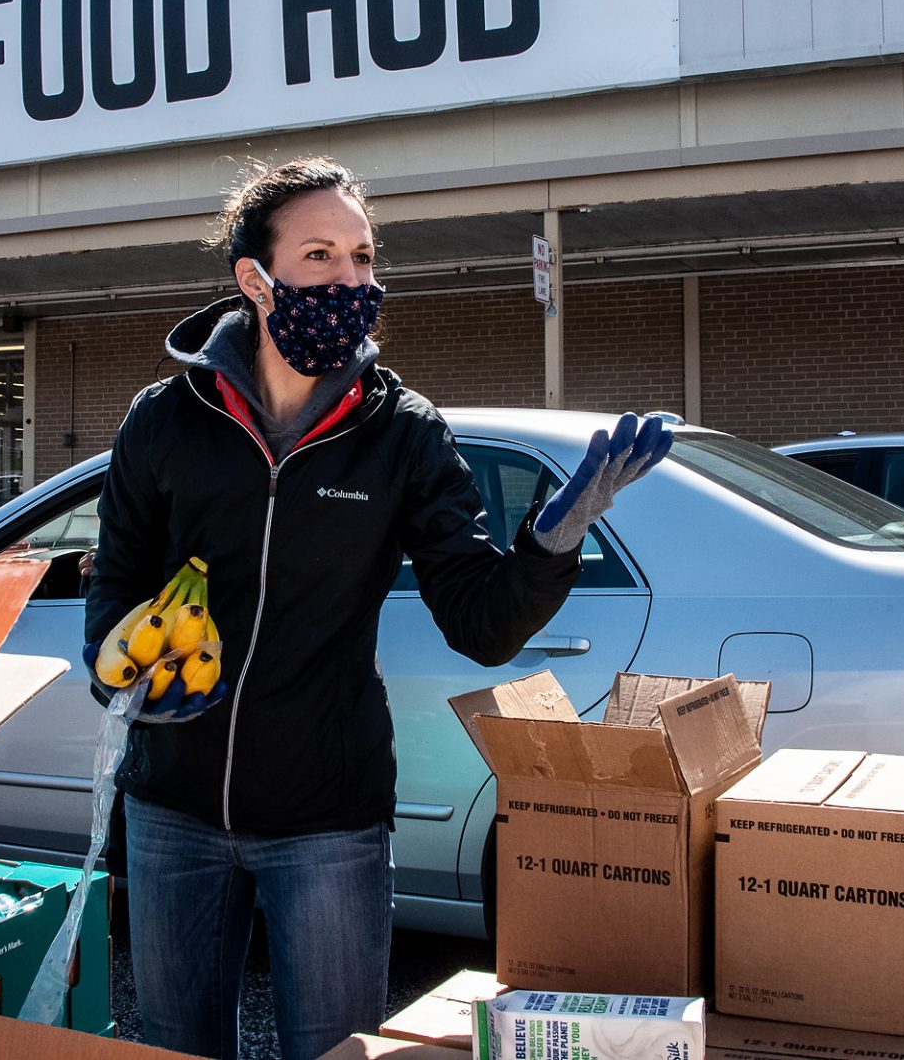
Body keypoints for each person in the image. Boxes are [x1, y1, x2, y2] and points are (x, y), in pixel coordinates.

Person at [83, 157, 671, 1060]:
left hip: (328, 819)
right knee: (175, 1048)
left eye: (363, 255)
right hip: (172, 811)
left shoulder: (402, 433)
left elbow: (480, 622)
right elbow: (114, 580)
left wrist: (555, 537)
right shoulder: (165, 421)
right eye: (320, 255)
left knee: (335, 1051)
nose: (352, 280)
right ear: (256, 278)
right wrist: (119, 669)